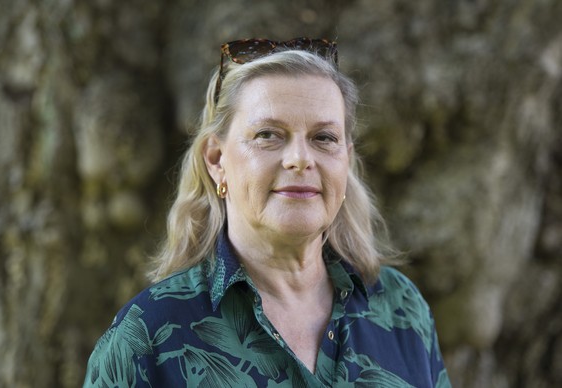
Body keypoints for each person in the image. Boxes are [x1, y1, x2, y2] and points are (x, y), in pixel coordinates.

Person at [83, 38, 450, 387]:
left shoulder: (401, 308)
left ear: (346, 161)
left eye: (324, 138)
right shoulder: (148, 337)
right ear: (216, 160)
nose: (300, 159)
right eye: (268, 135)